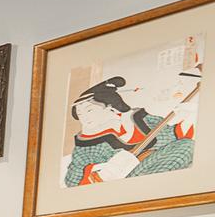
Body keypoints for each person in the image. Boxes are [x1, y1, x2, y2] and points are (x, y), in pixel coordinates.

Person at [62, 37, 200, 187]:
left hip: (157, 169)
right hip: (120, 186)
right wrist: (101, 170)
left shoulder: (139, 119)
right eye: (80, 114)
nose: (84, 118)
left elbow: (172, 136)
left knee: (188, 146)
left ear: (111, 107)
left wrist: (188, 114)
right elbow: (72, 181)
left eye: (89, 110)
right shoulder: (86, 145)